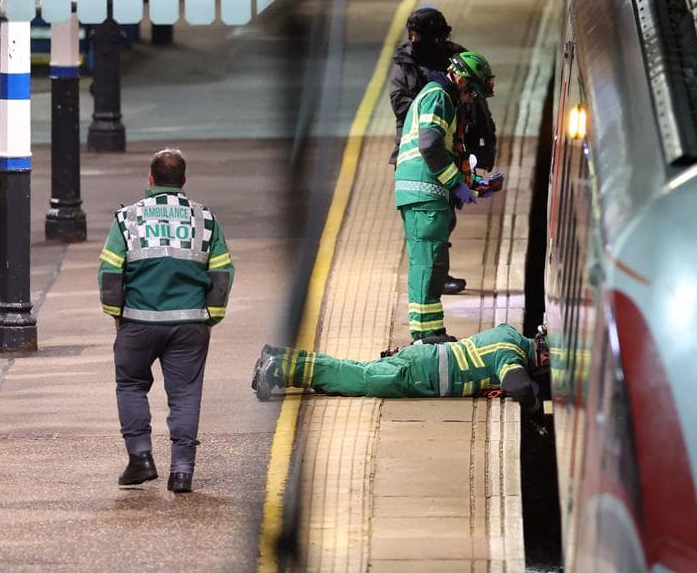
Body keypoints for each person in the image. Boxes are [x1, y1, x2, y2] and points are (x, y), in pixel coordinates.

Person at [98, 149, 235, 494]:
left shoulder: (127, 219)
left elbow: (110, 272)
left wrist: (117, 315)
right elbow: (222, 273)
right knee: (186, 394)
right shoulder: (205, 219)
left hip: (138, 321)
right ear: (183, 181)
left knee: (130, 385)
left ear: (150, 179)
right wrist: (210, 318)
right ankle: (182, 471)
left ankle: (141, 458)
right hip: (189, 323)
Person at [393, 50, 504, 342]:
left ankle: (429, 331)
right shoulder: (439, 97)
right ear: (463, 80)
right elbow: (429, 146)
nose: (473, 100)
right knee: (428, 264)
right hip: (423, 193)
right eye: (473, 94)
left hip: (425, 194)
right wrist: (456, 183)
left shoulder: (444, 98)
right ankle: (425, 335)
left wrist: (476, 183)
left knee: (433, 263)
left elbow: (447, 151)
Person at [386, 7, 498, 295]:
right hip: (424, 159)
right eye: (412, 35)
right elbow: (405, 109)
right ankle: (436, 275)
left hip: (449, 147)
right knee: (436, 222)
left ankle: (436, 277)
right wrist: (436, 103)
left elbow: (477, 110)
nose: (414, 40)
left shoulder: (457, 62)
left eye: (419, 35)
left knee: (444, 217)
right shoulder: (427, 83)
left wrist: (475, 175)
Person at [250, 324, 548, 415]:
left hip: (421, 356)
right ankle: (280, 369)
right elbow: (518, 386)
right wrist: (535, 405)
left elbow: (451, 339)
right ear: (544, 357)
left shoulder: (508, 333)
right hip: (419, 375)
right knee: (357, 379)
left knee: (354, 369)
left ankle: (281, 358)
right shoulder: (511, 354)